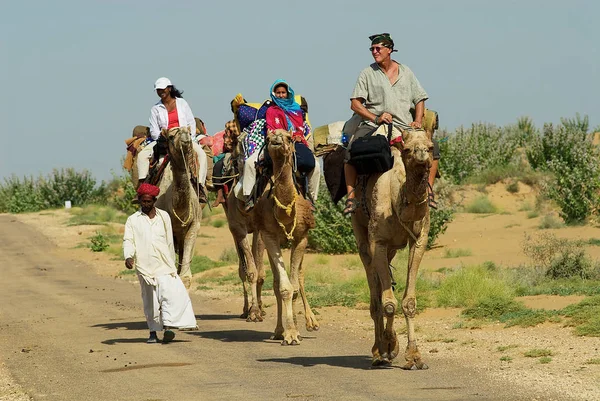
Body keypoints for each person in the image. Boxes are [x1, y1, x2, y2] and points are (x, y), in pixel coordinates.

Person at [343, 33, 440, 214]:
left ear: (389, 50)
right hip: (374, 125)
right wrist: (376, 117)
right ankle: (351, 198)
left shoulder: (406, 72)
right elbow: (355, 104)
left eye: (378, 48)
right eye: (372, 49)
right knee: (351, 150)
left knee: (433, 149)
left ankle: (429, 191)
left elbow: (419, 98)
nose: (374, 51)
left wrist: (417, 121)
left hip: (404, 127)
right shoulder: (367, 73)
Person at [123, 183, 198, 343]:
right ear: (139, 201)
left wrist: (172, 262)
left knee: (172, 295)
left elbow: (169, 241)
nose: (146, 204)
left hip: (164, 264)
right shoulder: (133, 220)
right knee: (150, 300)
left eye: (149, 201)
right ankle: (153, 332)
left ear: (155, 200)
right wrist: (128, 256)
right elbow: (128, 240)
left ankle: (169, 327)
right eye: (143, 201)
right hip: (145, 267)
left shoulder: (164, 216)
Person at [136, 77, 208, 193]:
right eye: (158, 90)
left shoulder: (182, 103)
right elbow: (154, 131)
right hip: (165, 138)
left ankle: (200, 186)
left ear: (169, 89)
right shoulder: (155, 109)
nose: (160, 92)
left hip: (183, 136)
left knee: (202, 155)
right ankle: (143, 186)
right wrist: (163, 137)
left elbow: (191, 122)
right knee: (142, 156)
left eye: (162, 89)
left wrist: (191, 138)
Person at [264, 79, 320, 203]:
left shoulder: (296, 109)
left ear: (288, 93)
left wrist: (297, 136)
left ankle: (312, 199)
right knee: (253, 163)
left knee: (315, 166)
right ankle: (250, 197)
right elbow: (270, 128)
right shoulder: (271, 111)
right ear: (274, 93)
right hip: (277, 141)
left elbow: (300, 127)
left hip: (294, 141)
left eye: (283, 92)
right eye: (278, 92)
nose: (281, 95)